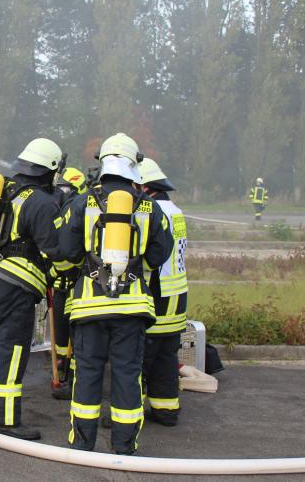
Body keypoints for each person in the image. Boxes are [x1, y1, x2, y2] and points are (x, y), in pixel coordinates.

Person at [60, 133, 173, 455]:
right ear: (133, 166)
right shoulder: (150, 207)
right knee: (127, 375)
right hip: (132, 307)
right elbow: (157, 256)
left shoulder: (82, 202)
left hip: (88, 306)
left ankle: (82, 444)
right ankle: (125, 446)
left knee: (87, 373)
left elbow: (66, 252)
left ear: (104, 163)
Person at [0, 137, 70, 441]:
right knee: (12, 349)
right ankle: (6, 420)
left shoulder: (4, 189)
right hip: (17, 284)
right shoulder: (40, 202)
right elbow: (53, 248)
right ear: (49, 170)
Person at [138, 158, 189, 427]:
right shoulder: (175, 209)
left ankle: (129, 412)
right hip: (177, 293)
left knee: (139, 356)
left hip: (157, 294)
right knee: (166, 355)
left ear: (145, 188)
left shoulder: (152, 210)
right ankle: (166, 410)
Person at [48, 167, 88, 400]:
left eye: (65, 188)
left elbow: (72, 251)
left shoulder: (79, 210)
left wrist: (53, 268)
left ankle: (73, 378)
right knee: (62, 331)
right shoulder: (64, 208)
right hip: (62, 284)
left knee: (78, 334)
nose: (60, 192)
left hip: (77, 283)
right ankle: (62, 367)